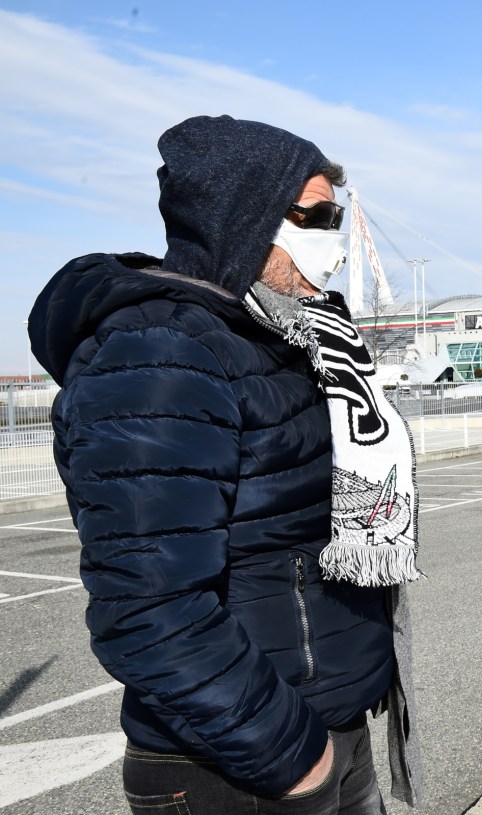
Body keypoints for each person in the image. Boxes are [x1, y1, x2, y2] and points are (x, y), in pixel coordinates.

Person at [29, 115, 423, 815]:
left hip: (322, 731)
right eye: (321, 216)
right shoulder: (163, 356)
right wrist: (295, 756)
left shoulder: (286, 341)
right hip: (241, 766)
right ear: (244, 217)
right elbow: (150, 608)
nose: (334, 239)